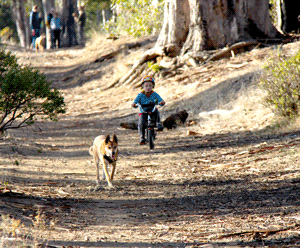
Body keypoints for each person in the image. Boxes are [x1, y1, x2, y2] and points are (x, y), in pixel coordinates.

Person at [132, 75, 165, 145]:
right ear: (143, 87)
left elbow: (160, 100)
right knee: (141, 123)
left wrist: (161, 102)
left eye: (150, 86)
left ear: (153, 86)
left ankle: (158, 123)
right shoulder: (140, 95)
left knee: (156, 112)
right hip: (143, 111)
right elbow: (135, 102)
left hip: (152, 109)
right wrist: (134, 104)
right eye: (146, 86)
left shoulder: (154, 94)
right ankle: (142, 138)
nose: (148, 87)